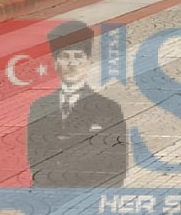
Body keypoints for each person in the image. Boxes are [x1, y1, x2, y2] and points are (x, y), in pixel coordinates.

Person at [25, 21, 127, 190]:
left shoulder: (108, 108)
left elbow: (117, 164)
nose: (72, 64)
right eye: (65, 57)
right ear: (55, 63)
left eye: (78, 57)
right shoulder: (39, 107)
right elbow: (34, 156)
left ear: (89, 62)